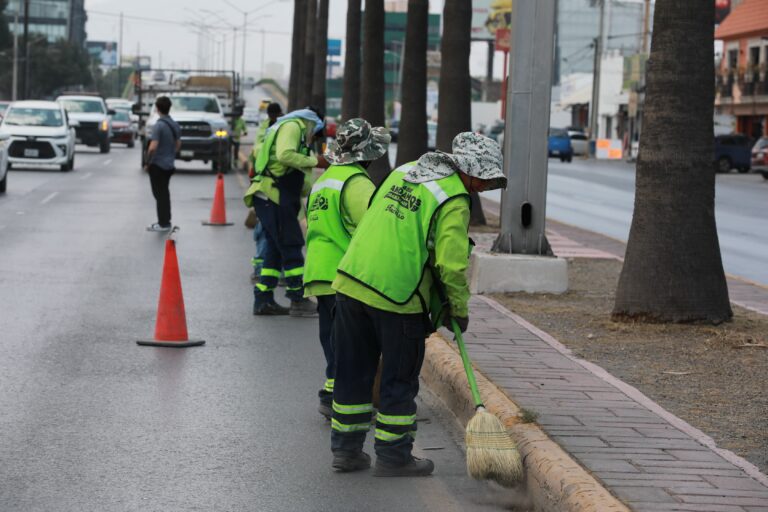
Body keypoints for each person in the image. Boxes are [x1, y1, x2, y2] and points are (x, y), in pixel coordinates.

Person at [329, 133, 507, 476]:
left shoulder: (406, 171)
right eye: (485, 178)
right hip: (398, 297)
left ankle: (346, 452)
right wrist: (458, 307)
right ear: (470, 170)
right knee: (399, 378)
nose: (485, 186)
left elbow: (375, 216)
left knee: (352, 371)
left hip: (351, 282)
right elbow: (451, 265)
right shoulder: (454, 198)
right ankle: (394, 456)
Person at [303, 118, 390, 418]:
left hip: (318, 271)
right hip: (344, 273)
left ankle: (331, 392)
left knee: (332, 338)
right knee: (350, 344)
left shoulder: (324, 180)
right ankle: (341, 399)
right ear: (367, 154)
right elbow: (376, 229)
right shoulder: (356, 183)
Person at [243, 107, 330, 316]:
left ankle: (263, 299)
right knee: (291, 244)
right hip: (273, 195)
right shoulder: (293, 126)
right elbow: (284, 155)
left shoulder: (288, 127)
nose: (313, 138)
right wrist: (315, 161)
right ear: (313, 123)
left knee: (275, 248)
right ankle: (298, 299)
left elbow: (301, 180)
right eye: (316, 134)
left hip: (273, 196)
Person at [249, 102, 283, 283]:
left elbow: (254, 158)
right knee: (268, 233)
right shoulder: (279, 133)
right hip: (270, 191)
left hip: (262, 190)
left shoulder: (265, 130)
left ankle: (261, 269)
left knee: (266, 232)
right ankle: (261, 269)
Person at [144, 96, 181, 232]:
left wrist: (147, 162)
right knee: (164, 193)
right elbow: (178, 145)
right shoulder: (174, 125)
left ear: (157, 108)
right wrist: (170, 155)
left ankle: (163, 223)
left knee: (159, 194)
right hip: (169, 165)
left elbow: (153, 146)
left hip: (157, 165)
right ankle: (166, 221)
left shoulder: (158, 126)